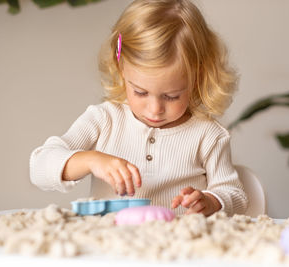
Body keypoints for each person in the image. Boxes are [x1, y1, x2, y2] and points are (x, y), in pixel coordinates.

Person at [30, 0, 248, 217]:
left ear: (198, 77)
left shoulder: (208, 135)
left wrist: (211, 201)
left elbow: (235, 194)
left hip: (177, 246)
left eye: (171, 96)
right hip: (110, 244)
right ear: (121, 67)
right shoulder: (104, 119)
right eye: (141, 92)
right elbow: (39, 167)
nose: (155, 110)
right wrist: (91, 160)